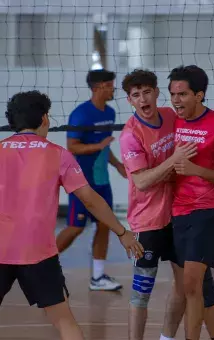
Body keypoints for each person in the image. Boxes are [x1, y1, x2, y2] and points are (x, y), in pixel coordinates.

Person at [0, 91, 143, 340]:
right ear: (44, 118)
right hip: (37, 253)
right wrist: (122, 232)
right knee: (64, 321)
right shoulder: (57, 154)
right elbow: (90, 199)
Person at [120, 69, 214, 340]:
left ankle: (167, 338)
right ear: (129, 100)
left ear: (157, 94)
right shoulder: (130, 134)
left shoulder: (172, 116)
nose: (142, 99)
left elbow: (210, 132)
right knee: (141, 292)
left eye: (147, 92)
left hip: (179, 215)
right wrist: (175, 160)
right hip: (148, 221)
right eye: (135, 95)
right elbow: (142, 182)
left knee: (188, 285)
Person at [168, 65, 214, 340]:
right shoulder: (172, 122)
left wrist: (195, 170)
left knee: (191, 284)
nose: (176, 100)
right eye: (173, 94)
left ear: (199, 95)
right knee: (201, 286)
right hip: (176, 211)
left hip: (207, 210)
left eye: (182, 94)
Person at [56, 69, 127, 291]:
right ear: (97, 87)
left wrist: (116, 164)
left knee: (105, 225)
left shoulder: (111, 113)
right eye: (109, 85)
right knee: (75, 228)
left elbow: (105, 148)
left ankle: (98, 277)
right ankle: (39, 264)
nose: (113, 89)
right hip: (81, 182)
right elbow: (72, 147)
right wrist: (98, 145)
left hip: (102, 180)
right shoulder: (81, 114)